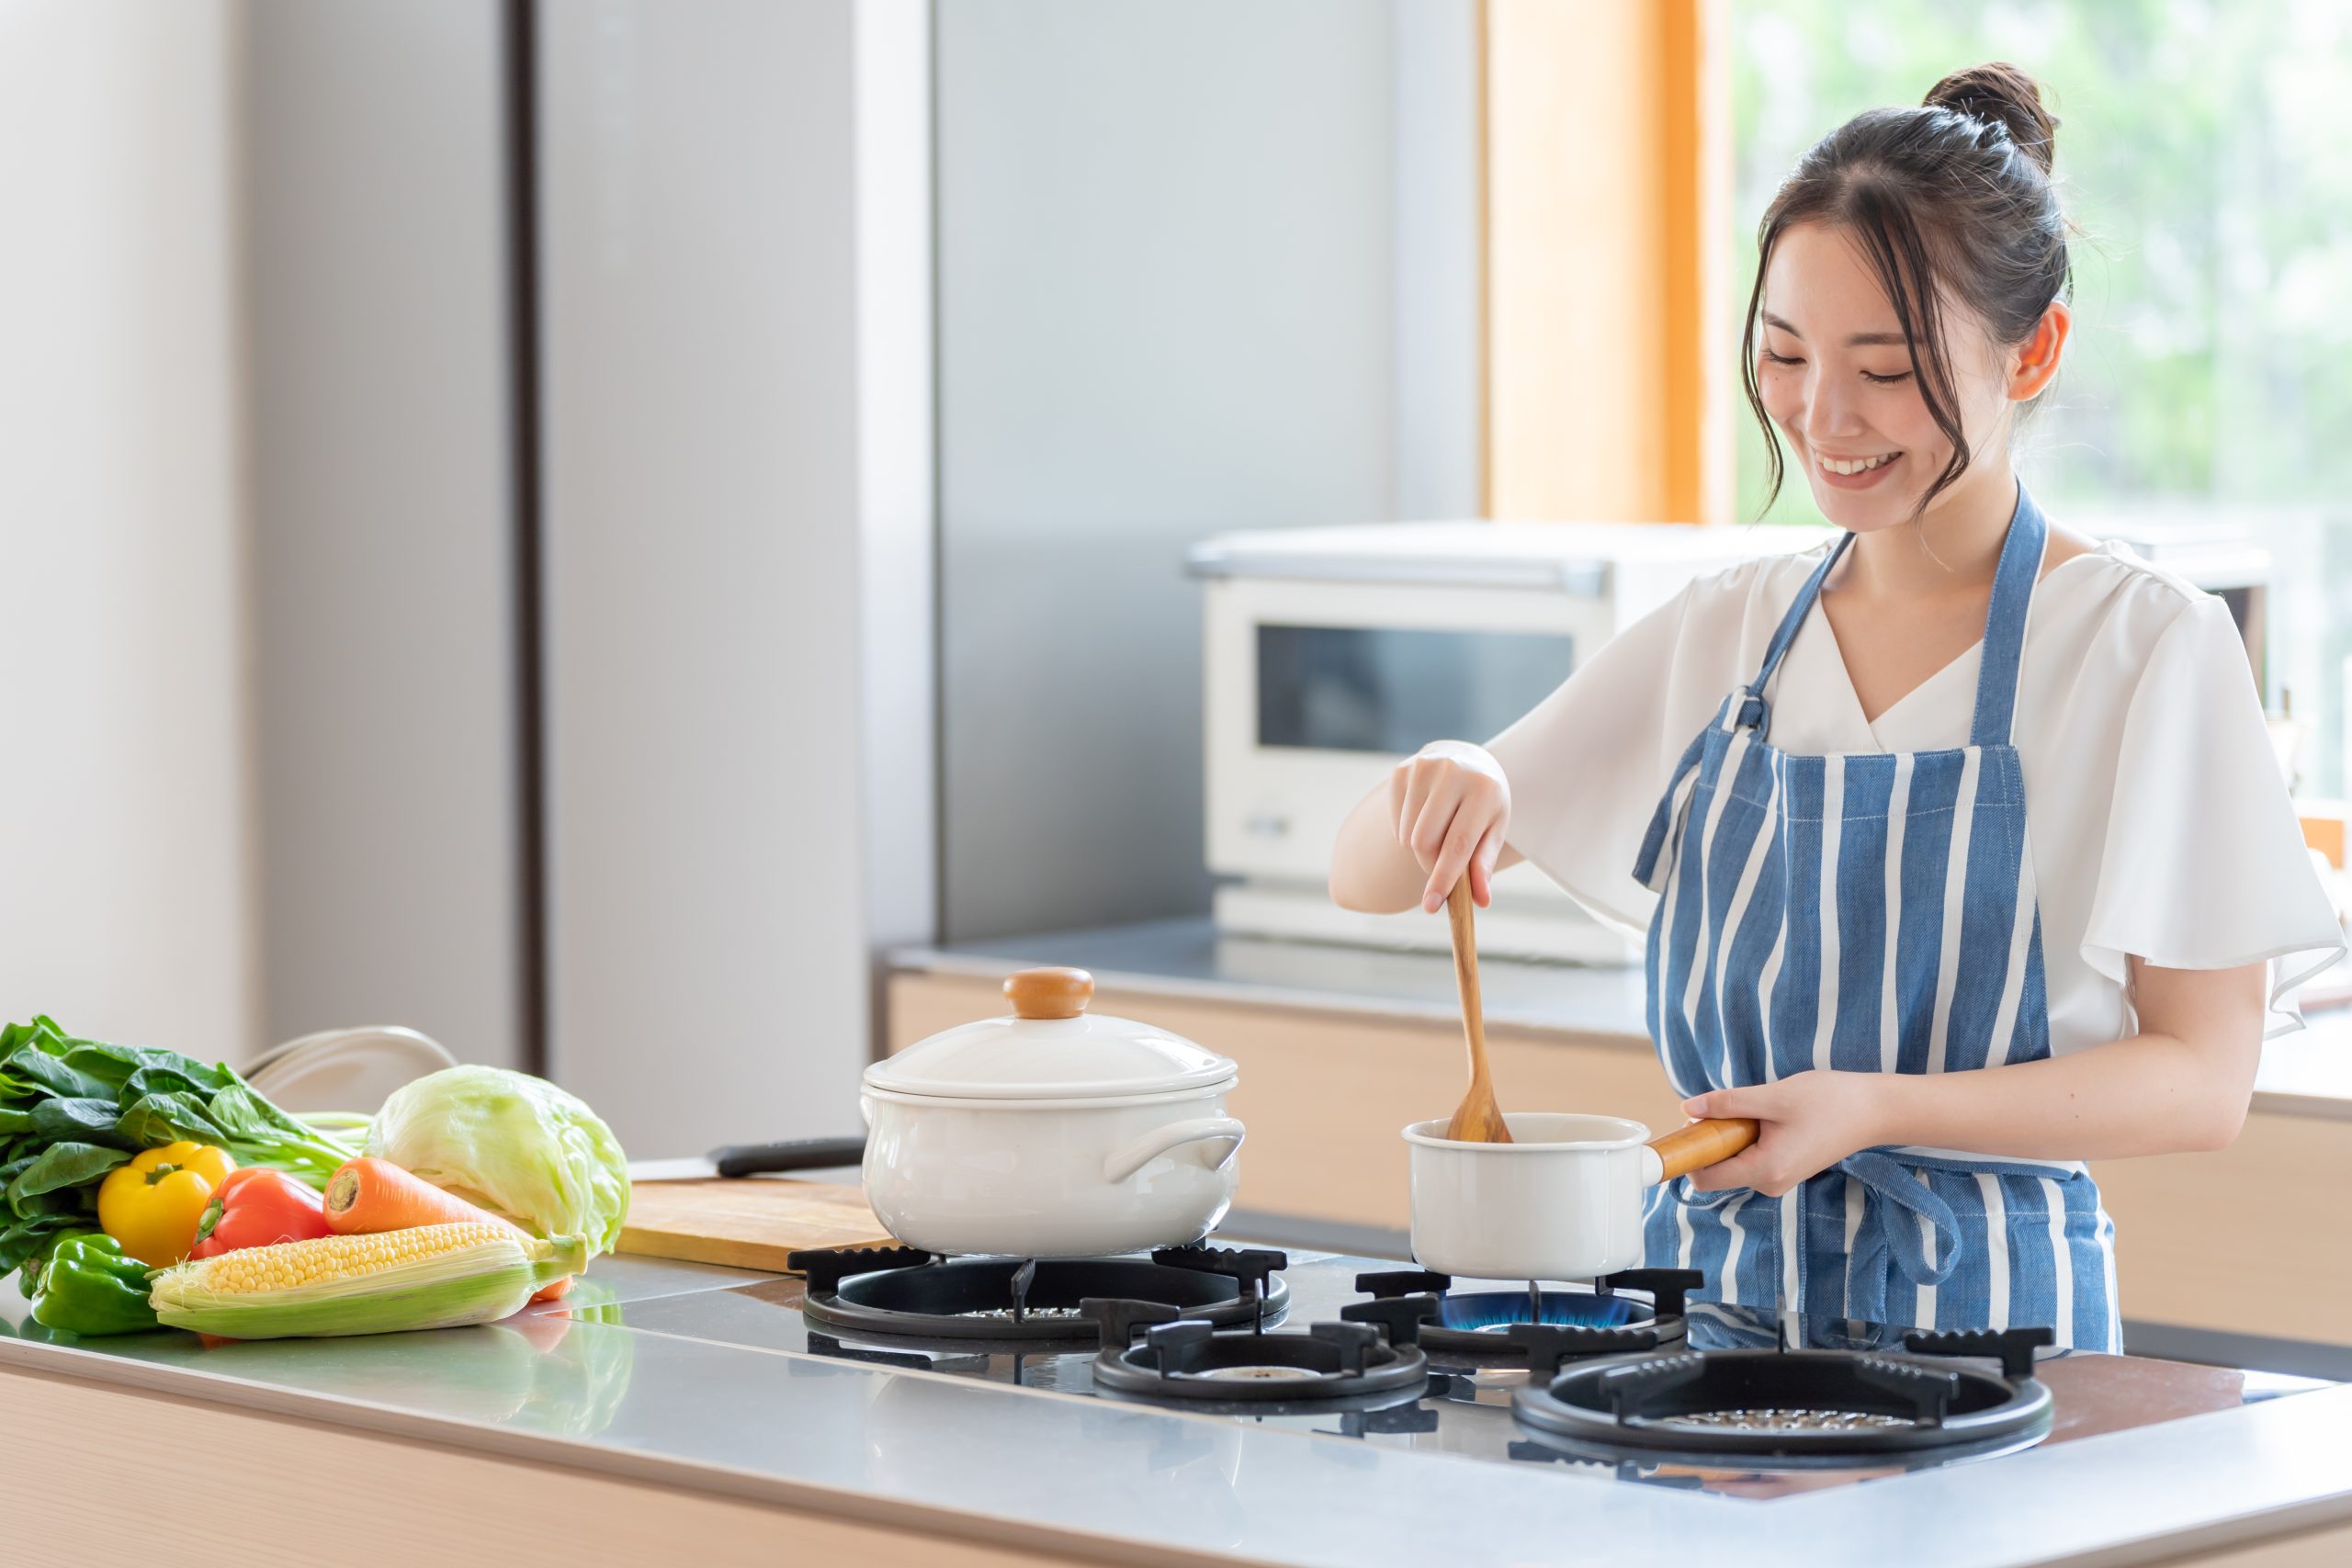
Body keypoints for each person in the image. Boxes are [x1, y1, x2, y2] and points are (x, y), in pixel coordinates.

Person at [1327, 62, 2346, 1351]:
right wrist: (1453, 769)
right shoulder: (1730, 632)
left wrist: (1875, 1108)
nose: (1824, 418)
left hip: (1992, 1347)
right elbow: (1366, 871)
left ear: (2033, 350)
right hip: (1704, 1334)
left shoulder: (2145, 647)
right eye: (1786, 356)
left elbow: (2202, 1083)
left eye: (1885, 366)